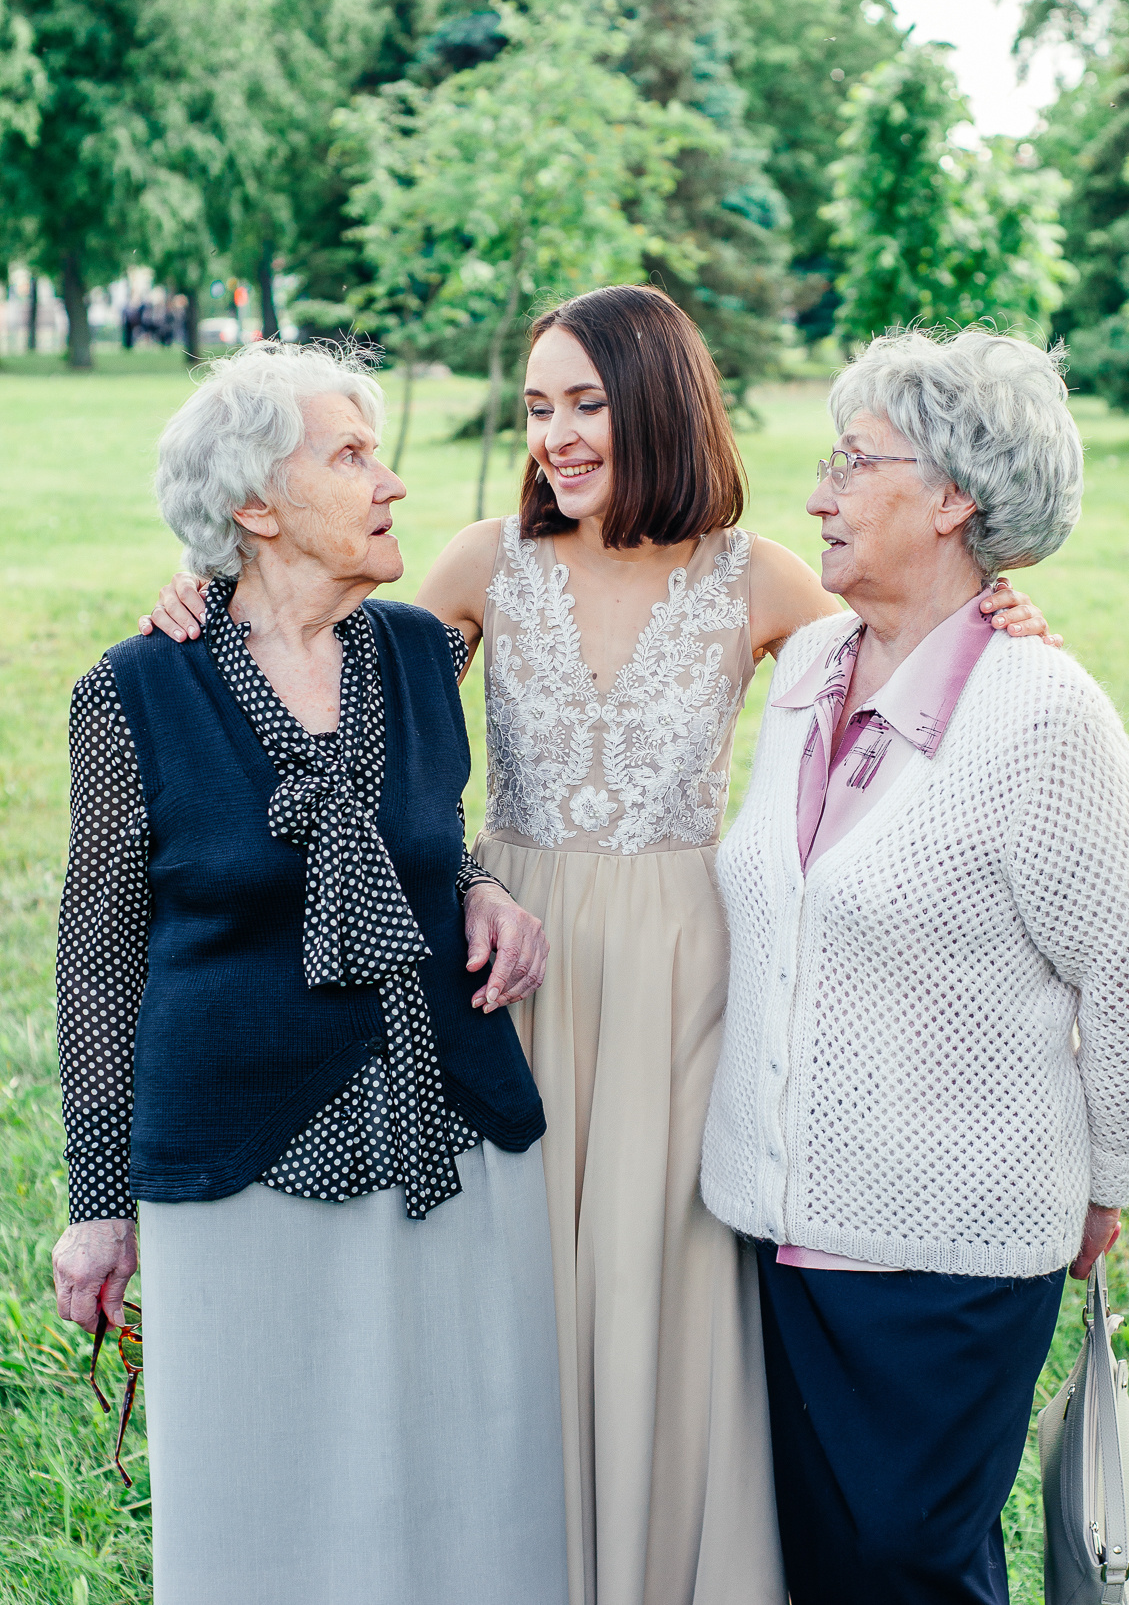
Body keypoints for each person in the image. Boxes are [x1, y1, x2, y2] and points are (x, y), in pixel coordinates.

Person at [144, 290, 1051, 1605]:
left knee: (664, 1287)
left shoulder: (756, 578)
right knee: (516, 1282)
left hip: (687, 970)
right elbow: (324, 682)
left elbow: (913, 648)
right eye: (535, 407)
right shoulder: (479, 564)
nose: (556, 435)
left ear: (660, 404)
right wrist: (209, 588)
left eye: (586, 403)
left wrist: (998, 618)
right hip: (509, 955)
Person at [52, 342, 568, 1605]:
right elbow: (98, 953)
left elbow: (427, 841)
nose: (391, 482)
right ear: (255, 505)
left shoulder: (410, 651)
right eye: (351, 455)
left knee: (474, 1469)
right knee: (259, 1494)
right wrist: (98, 1196)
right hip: (235, 1153)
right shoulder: (135, 690)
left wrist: (482, 886)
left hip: (445, 1130)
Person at [701, 327, 1129, 1605]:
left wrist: (1108, 1182)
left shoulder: (1043, 714)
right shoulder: (815, 664)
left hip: (944, 1254)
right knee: (821, 1570)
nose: (817, 493)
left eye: (852, 461)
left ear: (955, 499)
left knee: (909, 1572)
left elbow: (1119, 967)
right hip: (775, 1234)